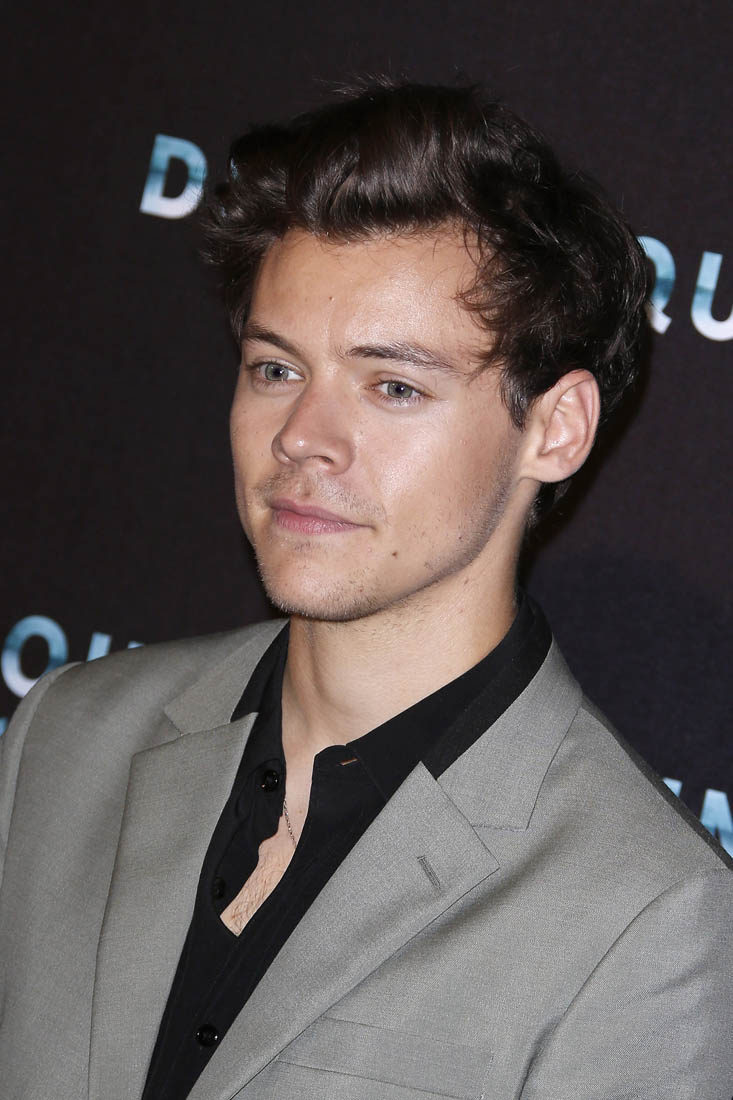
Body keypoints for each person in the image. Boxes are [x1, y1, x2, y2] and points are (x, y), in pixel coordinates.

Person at [1, 81, 731, 1100]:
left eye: (393, 386)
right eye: (275, 369)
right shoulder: (66, 738)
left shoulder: (646, 921)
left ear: (554, 428)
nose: (303, 437)